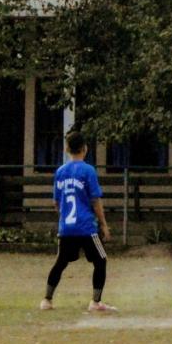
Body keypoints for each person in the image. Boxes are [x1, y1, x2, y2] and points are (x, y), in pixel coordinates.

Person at [41, 130, 115, 314]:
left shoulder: (61, 172)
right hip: (86, 227)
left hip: (66, 228)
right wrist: (103, 224)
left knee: (60, 262)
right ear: (85, 148)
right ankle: (95, 302)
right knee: (101, 260)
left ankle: (47, 300)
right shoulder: (88, 170)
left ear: (66, 149)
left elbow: (56, 202)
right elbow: (95, 200)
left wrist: (64, 217)